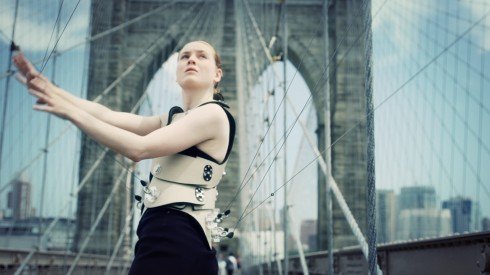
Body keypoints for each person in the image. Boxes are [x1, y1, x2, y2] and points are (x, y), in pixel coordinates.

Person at [13, 40, 235, 275]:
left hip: (179, 236)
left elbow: (138, 148)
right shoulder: (170, 119)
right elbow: (107, 115)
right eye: (185, 56)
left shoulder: (214, 114)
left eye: (202, 56)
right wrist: (51, 90)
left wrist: (70, 112)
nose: (191, 59)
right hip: (158, 233)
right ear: (176, 73)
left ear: (217, 74)